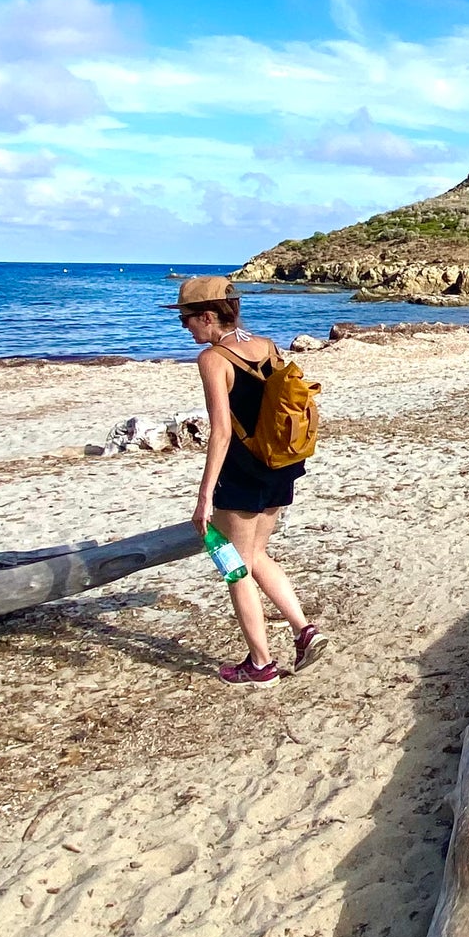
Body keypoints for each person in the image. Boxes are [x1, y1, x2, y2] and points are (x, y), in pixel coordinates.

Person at [167, 275, 327, 685]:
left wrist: (204, 497)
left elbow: (220, 432)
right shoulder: (267, 346)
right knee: (256, 555)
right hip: (279, 466)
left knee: (234, 566)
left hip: (240, 474)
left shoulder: (213, 360)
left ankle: (260, 665)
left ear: (207, 316)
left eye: (186, 319)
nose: (184, 327)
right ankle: (304, 631)